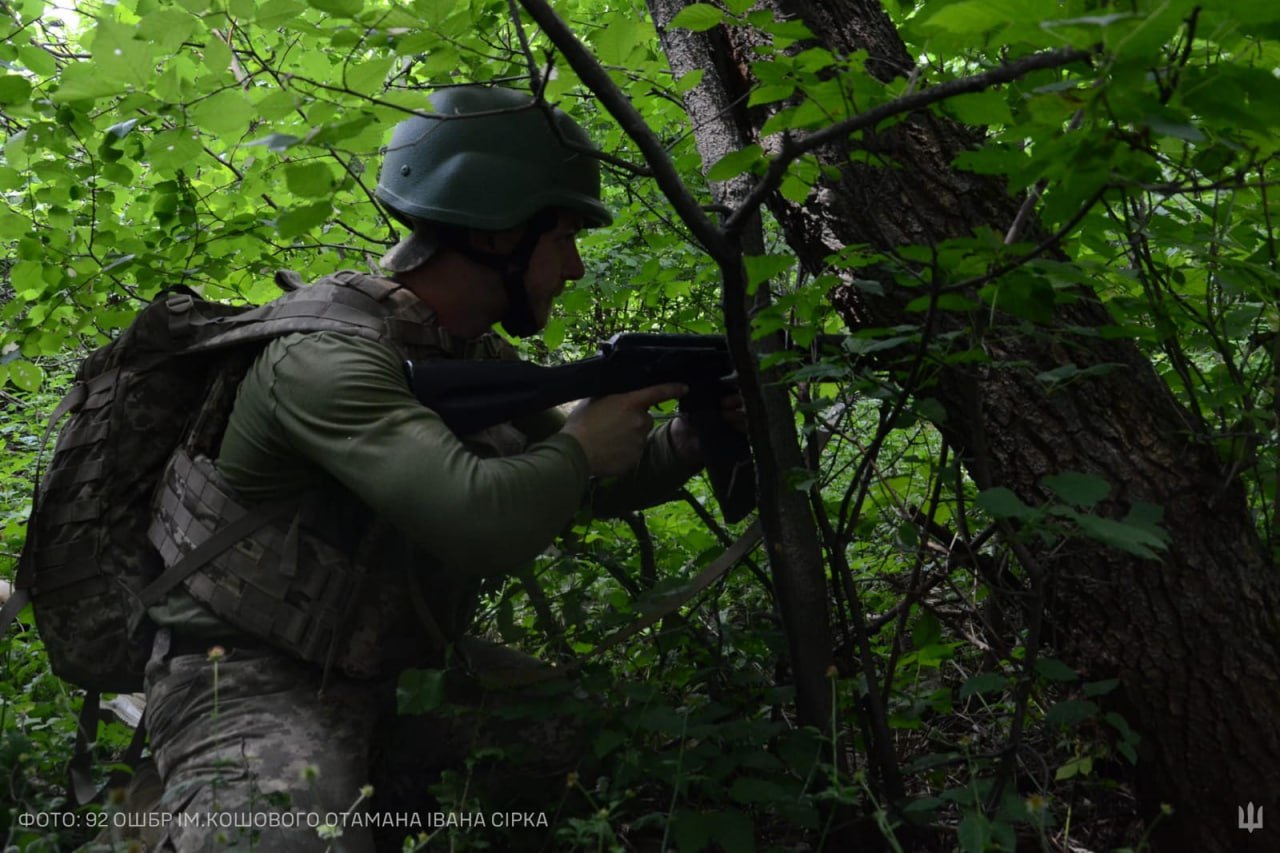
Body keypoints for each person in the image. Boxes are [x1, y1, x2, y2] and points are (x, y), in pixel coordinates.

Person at [137, 86, 728, 851]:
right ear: (499, 234)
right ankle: (170, 810)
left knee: (597, 749)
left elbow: (582, 478)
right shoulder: (324, 360)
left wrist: (686, 436)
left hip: (394, 667)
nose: (576, 268)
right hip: (246, 675)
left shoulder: (460, 353)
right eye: (565, 239)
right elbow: (485, 518)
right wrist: (582, 445)